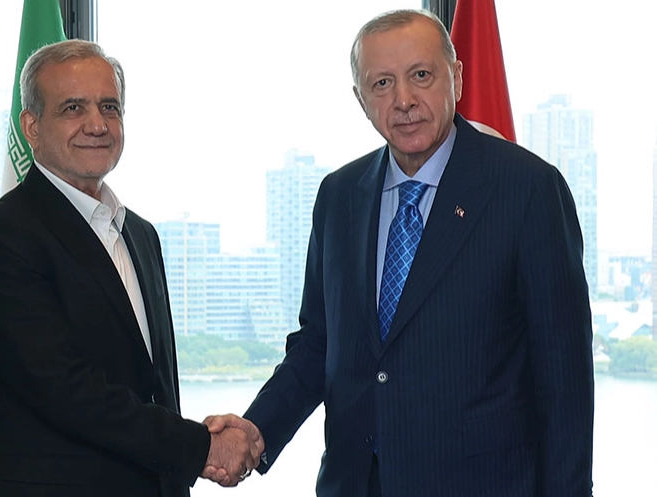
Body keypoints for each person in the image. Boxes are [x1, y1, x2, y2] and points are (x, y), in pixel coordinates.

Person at [206, 8, 594, 497]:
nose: (404, 100)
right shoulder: (339, 196)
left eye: (421, 75)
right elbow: (318, 345)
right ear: (361, 99)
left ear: (456, 78)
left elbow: (564, 380)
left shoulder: (528, 189)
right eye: (383, 83)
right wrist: (256, 430)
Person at [0, 39, 262, 497]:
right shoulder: (2, 237)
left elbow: (155, 388)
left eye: (109, 107)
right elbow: (66, 390)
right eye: (73, 108)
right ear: (32, 127)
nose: (97, 124)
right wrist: (202, 447)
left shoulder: (140, 234)